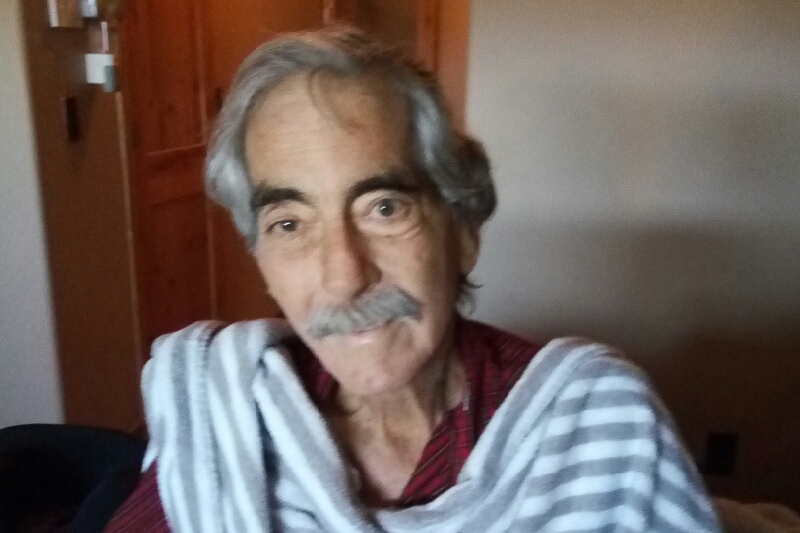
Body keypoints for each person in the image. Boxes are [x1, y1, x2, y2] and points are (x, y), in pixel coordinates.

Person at [105, 28, 722, 533]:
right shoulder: (227, 412)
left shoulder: (597, 424)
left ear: (463, 230)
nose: (345, 277)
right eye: (290, 224)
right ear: (262, 262)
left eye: (384, 208)